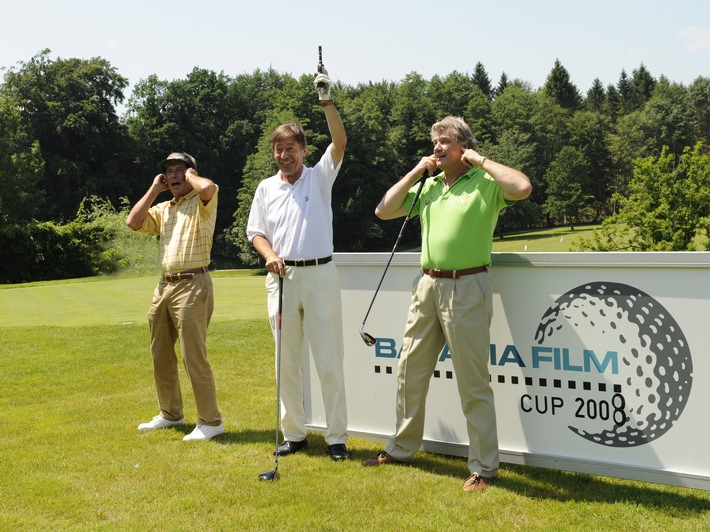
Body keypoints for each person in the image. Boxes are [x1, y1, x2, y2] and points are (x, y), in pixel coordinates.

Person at [362, 116, 532, 492]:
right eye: (435, 142)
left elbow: (522, 187)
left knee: (473, 382)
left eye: (445, 142)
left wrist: (479, 160)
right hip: (427, 286)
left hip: (467, 286)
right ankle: (402, 448)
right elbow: (384, 210)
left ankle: (484, 467)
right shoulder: (430, 186)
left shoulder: (485, 182)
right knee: (409, 371)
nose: (437, 148)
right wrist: (416, 171)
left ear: (464, 147)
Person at [246, 67, 349, 461]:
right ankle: (295, 434)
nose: (284, 155)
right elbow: (256, 232)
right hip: (283, 278)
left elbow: (339, 141)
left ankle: (337, 437)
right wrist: (269, 255)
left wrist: (326, 100)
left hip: (320, 275)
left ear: (304, 150)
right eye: (278, 149)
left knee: (328, 359)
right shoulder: (265, 188)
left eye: (290, 148)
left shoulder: (319, 176)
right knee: (286, 362)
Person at [127, 151, 224, 442]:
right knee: (160, 353)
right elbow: (133, 221)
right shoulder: (165, 207)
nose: (173, 176)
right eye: (169, 171)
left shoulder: (203, 201)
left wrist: (190, 174)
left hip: (193, 283)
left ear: (191, 172)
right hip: (164, 287)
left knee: (193, 355)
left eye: (179, 170)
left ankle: (211, 421)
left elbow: (207, 188)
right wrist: (155, 189)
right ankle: (171, 414)